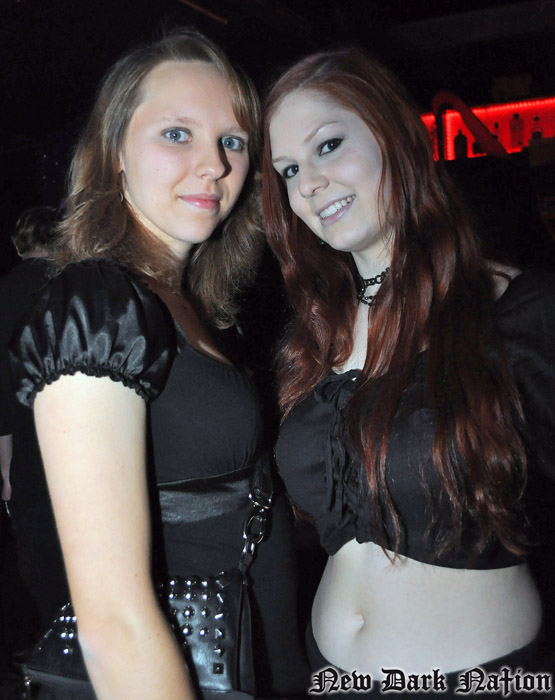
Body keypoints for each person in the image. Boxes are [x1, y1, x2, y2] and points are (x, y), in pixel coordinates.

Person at [8, 30, 306, 700]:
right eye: (177, 134)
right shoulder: (97, 304)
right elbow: (112, 625)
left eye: (232, 142)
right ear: (115, 151)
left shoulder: (191, 305)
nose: (214, 165)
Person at [262, 47, 555, 695]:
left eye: (328, 145)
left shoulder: (516, 313)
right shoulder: (313, 338)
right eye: (288, 170)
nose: (307, 184)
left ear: (394, 137)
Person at [0, 206, 70, 640]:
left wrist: (5, 467)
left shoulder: (6, 293)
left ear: (18, 244)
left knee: (42, 557)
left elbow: (1, 389)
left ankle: (56, 646)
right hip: (80, 435)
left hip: (27, 442)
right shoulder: (77, 284)